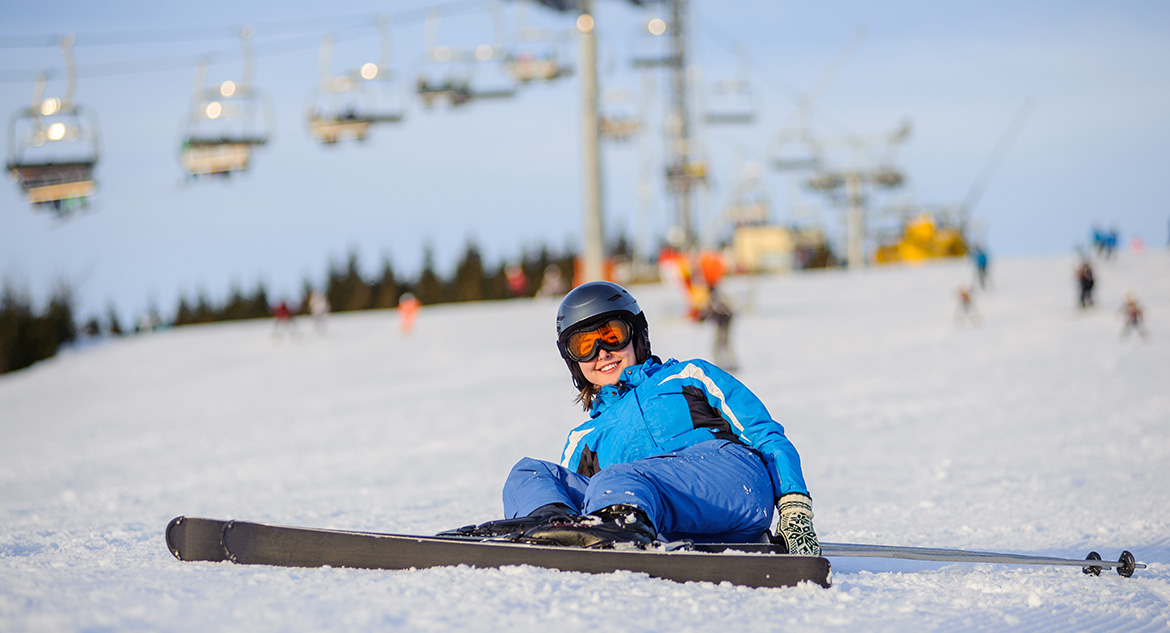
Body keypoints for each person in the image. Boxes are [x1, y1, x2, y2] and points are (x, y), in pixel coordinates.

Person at [445, 281, 819, 555]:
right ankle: (550, 531)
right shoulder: (585, 436)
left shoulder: (689, 377)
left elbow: (764, 435)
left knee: (618, 477)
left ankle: (623, 525)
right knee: (529, 472)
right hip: (653, 517)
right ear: (573, 362)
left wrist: (794, 505)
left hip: (731, 486)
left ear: (637, 336)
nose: (602, 352)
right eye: (585, 346)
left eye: (611, 335)